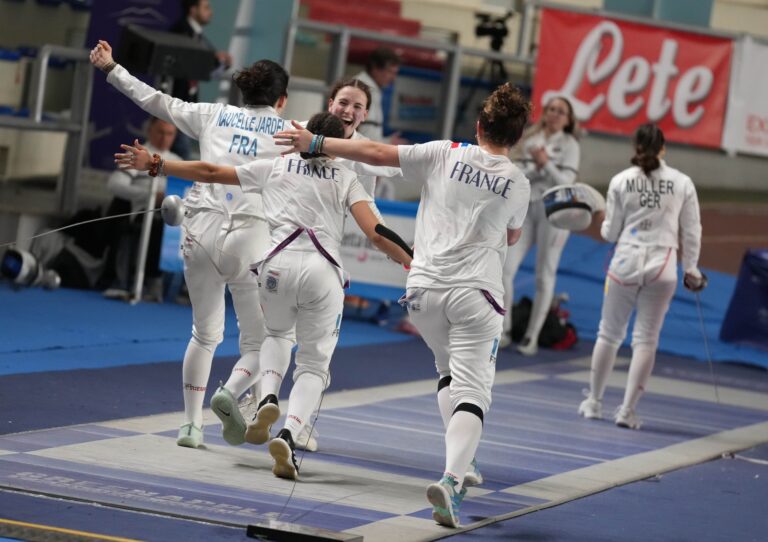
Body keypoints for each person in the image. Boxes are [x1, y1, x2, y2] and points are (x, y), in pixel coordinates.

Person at [274, 83, 532, 528]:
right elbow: (511, 236)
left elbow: (373, 152)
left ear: (478, 126)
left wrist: (315, 141)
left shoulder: (445, 152)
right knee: (474, 391)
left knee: (449, 373)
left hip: (424, 293)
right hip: (476, 295)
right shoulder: (518, 181)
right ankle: (452, 481)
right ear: (517, 136)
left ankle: (462, 461)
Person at [115, 112, 412, 479]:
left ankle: (268, 396)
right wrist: (410, 264)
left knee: (274, 337)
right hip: (321, 273)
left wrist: (157, 164)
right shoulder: (346, 177)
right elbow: (377, 233)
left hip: (274, 269)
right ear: (335, 148)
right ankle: (288, 433)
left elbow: (210, 172)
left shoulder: (275, 166)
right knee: (313, 366)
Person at [90, 40, 289, 450]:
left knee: (203, 334)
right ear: (281, 100)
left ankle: (191, 426)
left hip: (199, 231)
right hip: (251, 239)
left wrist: (112, 67)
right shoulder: (292, 134)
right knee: (261, 340)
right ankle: (232, 395)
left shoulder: (212, 114)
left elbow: (155, 100)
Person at [578, 123, 705, 429]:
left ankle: (594, 403)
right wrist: (691, 268)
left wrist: (600, 218)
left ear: (635, 148)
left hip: (625, 261)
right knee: (646, 340)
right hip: (663, 265)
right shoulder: (682, 182)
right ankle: (627, 411)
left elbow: (610, 234)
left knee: (608, 333)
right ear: (663, 148)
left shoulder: (621, 181)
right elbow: (692, 230)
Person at [500, 96, 581, 354]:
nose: (556, 115)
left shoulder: (570, 145)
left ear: (568, 120)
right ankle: (504, 329)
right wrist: (539, 167)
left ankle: (531, 336)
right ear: (545, 113)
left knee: (544, 274)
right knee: (504, 269)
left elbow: (566, 182)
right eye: (552, 110)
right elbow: (515, 173)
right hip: (525, 209)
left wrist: (544, 164)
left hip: (554, 213)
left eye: (562, 112)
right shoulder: (529, 139)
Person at [102, 117, 179, 302]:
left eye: (169, 134)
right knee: (155, 224)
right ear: (150, 131)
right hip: (143, 212)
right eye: (160, 132)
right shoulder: (138, 155)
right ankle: (147, 281)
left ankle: (170, 285)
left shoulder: (179, 162)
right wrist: (151, 196)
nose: (164, 137)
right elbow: (114, 185)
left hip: (172, 215)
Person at [169, 0, 233, 158]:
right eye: (206, 8)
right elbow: (186, 64)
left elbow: (205, 73)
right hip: (175, 104)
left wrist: (219, 63)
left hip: (187, 105)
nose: (210, 12)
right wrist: (212, 59)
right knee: (182, 158)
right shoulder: (180, 31)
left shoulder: (196, 34)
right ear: (193, 9)